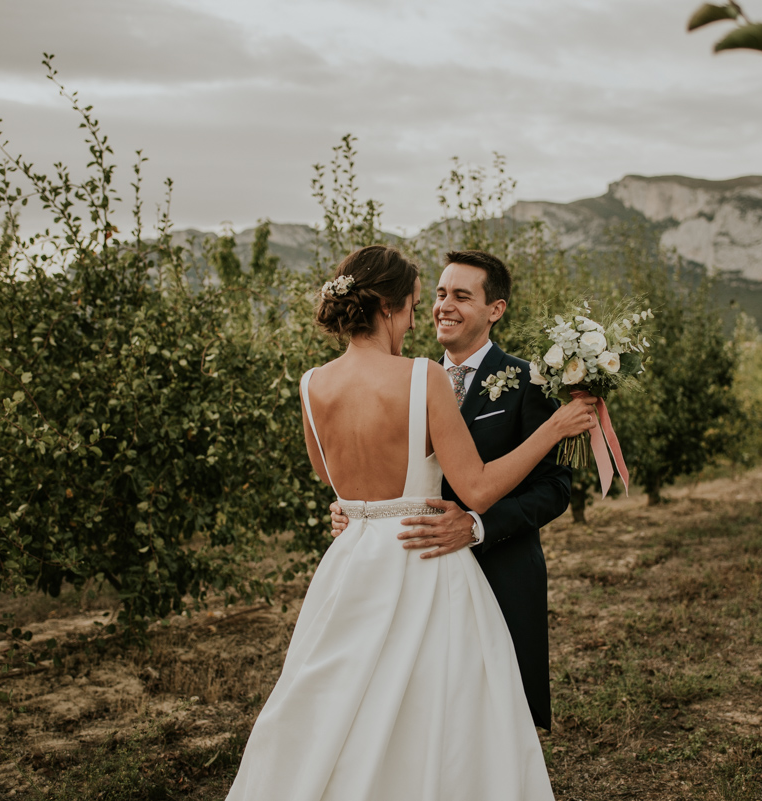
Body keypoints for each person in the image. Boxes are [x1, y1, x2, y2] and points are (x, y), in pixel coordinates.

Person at [224, 245, 595, 801]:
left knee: (338, 697)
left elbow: (334, 482)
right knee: (438, 706)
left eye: (453, 296)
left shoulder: (310, 385)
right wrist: (556, 428)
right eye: (422, 302)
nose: (424, 315)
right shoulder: (423, 376)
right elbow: (475, 487)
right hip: (422, 563)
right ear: (390, 308)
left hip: (353, 562)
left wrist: (357, 508)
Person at [331, 249, 571, 730]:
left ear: (495, 309)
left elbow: (555, 487)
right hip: (412, 572)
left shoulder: (530, 382)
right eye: (439, 294)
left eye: (462, 295)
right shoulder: (407, 377)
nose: (443, 305)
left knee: (496, 716)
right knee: (420, 714)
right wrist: (352, 510)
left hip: (500, 567)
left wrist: (478, 526)